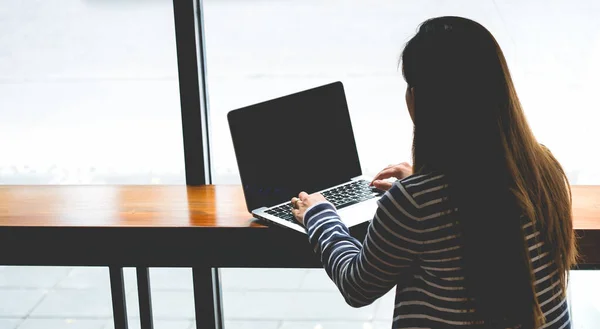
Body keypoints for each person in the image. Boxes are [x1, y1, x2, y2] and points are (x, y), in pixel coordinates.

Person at [290, 16, 577, 329]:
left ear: (419, 99)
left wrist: (319, 215)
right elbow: (477, 193)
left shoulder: (413, 203)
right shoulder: (544, 169)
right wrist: (423, 183)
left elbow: (357, 287)